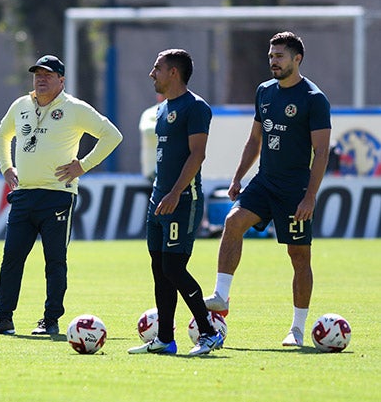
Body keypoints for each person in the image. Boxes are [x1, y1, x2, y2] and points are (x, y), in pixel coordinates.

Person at [0, 54, 122, 336]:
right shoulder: (21, 105)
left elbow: (112, 135)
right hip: (24, 195)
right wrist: (6, 167)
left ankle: (50, 320)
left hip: (58, 195)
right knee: (11, 258)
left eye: (48, 74)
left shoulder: (74, 108)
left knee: (54, 260)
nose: (41, 79)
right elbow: (1, 135)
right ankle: (3, 318)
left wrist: (82, 165)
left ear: (61, 80)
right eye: (37, 74)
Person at [204, 32, 331, 347]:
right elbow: (254, 140)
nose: (273, 61)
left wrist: (310, 196)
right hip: (265, 181)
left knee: (299, 256)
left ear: (296, 59)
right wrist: (237, 178)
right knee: (233, 223)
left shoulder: (314, 99)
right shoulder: (264, 92)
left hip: (295, 188)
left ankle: (297, 329)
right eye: (271, 56)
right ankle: (221, 295)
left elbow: (323, 152)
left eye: (279, 56)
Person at [127, 49, 224, 356]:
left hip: (183, 201)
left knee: (174, 267)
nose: (151, 73)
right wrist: (161, 193)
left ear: (173, 73)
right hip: (159, 200)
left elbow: (198, 154)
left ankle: (209, 332)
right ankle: (165, 339)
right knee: (159, 269)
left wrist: (175, 193)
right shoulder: (162, 110)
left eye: (157, 68)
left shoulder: (195, 107)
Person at [139, 93, 166, 182]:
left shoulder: (179, 111)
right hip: (153, 169)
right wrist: (169, 127)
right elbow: (147, 130)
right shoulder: (150, 113)